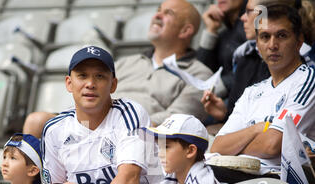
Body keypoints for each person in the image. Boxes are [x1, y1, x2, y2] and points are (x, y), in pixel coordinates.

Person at [28, 45, 162, 184]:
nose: (90, 83)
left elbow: (129, 177)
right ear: (69, 83)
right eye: (82, 76)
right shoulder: (55, 128)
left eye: (100, 76)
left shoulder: (130, 114)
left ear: (113, 84)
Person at [22, 0, 222, 138]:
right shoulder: (127, 61)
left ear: (186, 30)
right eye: (158, 10)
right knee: (37, 121)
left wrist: (118, 120)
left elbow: (176, 120)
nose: (157, 15)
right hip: (93, 122)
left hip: (140, 134)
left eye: (167, 13)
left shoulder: (199, 74)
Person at [209, 4, 315, 184]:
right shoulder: (252, 92)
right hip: (238, 176)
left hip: (278, 181)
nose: (273, 45)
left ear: (299, 41)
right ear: (257, 45)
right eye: (265, 37)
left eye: (281, 36)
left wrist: (237, 147)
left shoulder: (308, 80)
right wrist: (258, 128)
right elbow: (218, 146)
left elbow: (271, 145)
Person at [202, 0, 315, 123]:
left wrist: (256, 130)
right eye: (265, 37)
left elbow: (274, 135)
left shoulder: (307, 72)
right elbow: (238, 125)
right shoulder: (246, 58)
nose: (242, 18)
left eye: (250, 12)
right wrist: (225, 114)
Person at [197, 0, 247, 97]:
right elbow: (202, 73)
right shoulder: (225, 34)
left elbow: (253, 70)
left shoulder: (255, 26)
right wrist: (211, 30)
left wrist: (212, 90)